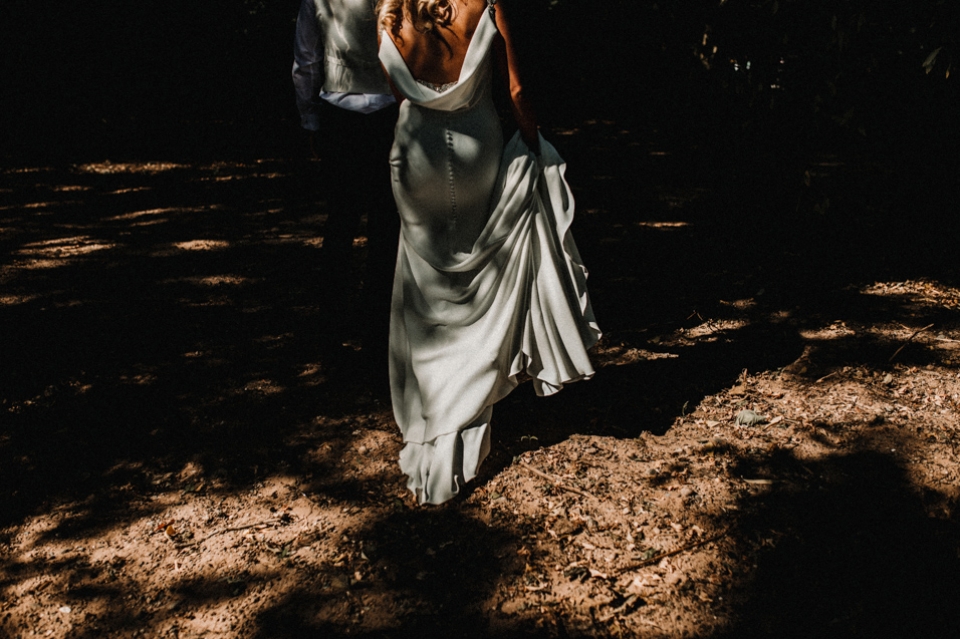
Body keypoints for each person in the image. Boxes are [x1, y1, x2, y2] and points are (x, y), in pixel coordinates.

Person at [377, 0, 601, 505]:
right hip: (477, 148)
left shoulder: (390, 11)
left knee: (425, 290)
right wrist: (533, 144)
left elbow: (396, 90)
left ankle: (432, 415)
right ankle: (466, 409)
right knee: (476, 282)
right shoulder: (489, 3)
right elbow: (517, 89)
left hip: (416, 156)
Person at [292, 0, 400, 371]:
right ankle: (375, 332)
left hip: (340, 114)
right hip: (389, 112)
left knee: (340, 223)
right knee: (384, 227)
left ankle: (332, 330)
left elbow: (306, 60)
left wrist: (310, 119)